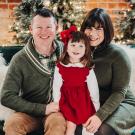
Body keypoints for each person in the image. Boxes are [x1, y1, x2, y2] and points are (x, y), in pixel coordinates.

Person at [0, 8, 66, 135]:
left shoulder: (66, 52)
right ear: (31, 29)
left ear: (56, 28)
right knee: (12, 125)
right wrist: (43, 109)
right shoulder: (20, 59)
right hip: (28, 112)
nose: (44, 32)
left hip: (56, 113)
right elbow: (6, 97)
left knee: (58, 124)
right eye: (39, 27)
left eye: (48, 27)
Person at [80, 8, 135, 135]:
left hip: (122, 103)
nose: (92, 33)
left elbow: (119, 91)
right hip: (96, 103)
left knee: (102, 130)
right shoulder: (79, 51)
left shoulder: (117, 55)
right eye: (89, 28)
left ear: (107, 31)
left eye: (99, 29)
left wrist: (99, 116)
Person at [53, 31, 100, 135]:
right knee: (70, 126)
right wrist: (56, 103)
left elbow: (94, 89)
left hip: (82, 100)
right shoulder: (60, 66)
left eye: (80, 46)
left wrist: (96, 106)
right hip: (67, 101)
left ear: (86, 49)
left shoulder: (87, 67)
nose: (76, 49)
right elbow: (56, 86)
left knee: (87, 126)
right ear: (67, 47)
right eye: (73, 45)